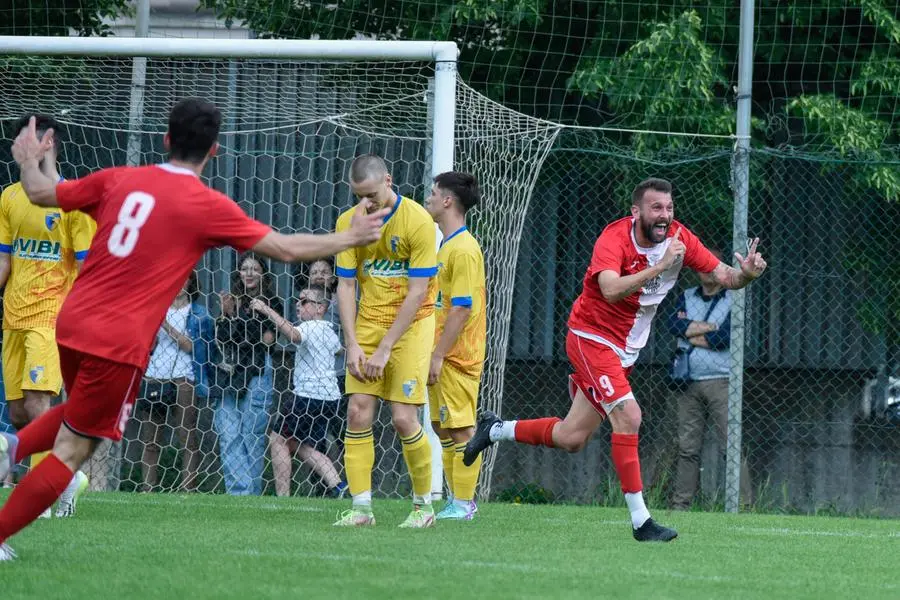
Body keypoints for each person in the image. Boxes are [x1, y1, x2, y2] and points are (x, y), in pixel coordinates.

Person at [0, 97, 388, 561]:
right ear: (214, 151)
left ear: (166, 139)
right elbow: (283, 248)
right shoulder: (204, 204)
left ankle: (10, 447)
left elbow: (42, 191)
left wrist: (29, 160)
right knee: (73, 450)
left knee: (78, 415)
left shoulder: (122, 177)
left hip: (70, 321)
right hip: (117, 339)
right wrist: (350, 237)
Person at [463, 178, 767, 542]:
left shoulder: (681, 239)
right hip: (591, 337)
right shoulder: (614, 239)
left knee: (572, 436)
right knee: (629, 415)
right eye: (656, 208)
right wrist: (660, 267)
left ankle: (494, 429)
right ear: (636, 211)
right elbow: (609, 289)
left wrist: (747, 273)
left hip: (625, 350)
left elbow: (725, 276)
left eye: (669, 209)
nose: (665, 216)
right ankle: (642, 522)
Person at [333, 154, 438, 528]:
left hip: (413, 325)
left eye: (373, 195)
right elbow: (345, 285)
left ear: (389, 180)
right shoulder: (349, 223)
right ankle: (361, 509)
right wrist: (353, 342)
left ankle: (423, 508)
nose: (367, 204)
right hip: (368, 323)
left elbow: (417, 293)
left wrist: (384, 347)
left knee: (403, 418)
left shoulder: (419, 222)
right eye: (359, 196)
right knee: (358, 410)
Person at [0, 114, 95, 518]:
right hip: (14, 318)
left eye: (26, 136)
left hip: (53, 317)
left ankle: (44, 494)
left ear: (48, 141)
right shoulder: (8, 197)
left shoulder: (71, 198)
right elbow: (5, 260)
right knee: (20, 413)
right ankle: (69, 477)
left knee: (41, 403)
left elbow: (89, 266)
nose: (17, 143)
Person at [666, 257, 752, 509]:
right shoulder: (686, 295)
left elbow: (724, 338)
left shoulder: (732, 298)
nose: (707, 271)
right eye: (703, 266)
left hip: (722, 382)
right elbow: (674, 324)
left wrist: (689, 333)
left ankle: (743, 506)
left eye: (712, 266)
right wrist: (707, 329)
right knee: (687, 447)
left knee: (731, 446)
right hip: (687, 381)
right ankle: (681, 505)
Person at [424, 172, 486, 521]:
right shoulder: (446, 245)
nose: (428, 199)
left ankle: (463, 503)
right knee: (442, 426)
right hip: (442, 352)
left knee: (461, 427)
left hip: (456, 356)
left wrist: (438, 353)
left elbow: (462, 307)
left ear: (448, 200)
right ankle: (456, 500)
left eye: (433, 193)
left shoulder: (462, 249)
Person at [253, 285, 347, 498]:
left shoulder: (311, 326)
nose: (298, 304)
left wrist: (266, 309)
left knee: (277, 439)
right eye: (298, 299)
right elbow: (339, 350)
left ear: (320, 308)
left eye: (304, 301)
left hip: (308, 395)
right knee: (297, 443)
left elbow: (293, 335)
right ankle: (339, 486)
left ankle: (283, 498)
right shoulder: (328, 329)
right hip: (329, 398)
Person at [133, 270, 212, 492]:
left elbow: (192, 347)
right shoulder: (156, 310)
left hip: (183, 377)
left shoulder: (199, 314)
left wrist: (165, 325)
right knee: (151, 439)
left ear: (191, 282)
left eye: (184, 278)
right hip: (155, 375)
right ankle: (148, 489)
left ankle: (188, 490)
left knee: (187, 435)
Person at [212, 252, 276, 495]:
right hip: (229, 374)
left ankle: (252, 495)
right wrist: (227, 314)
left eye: (255, 268)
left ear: (263, 273)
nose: (249, 273)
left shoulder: (272, 302)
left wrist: (236, 316)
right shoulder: (231, 300)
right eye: (245, 268)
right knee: (229, 435)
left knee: (252, 436)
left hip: (257, 371)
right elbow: (224, 338)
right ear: (238, 273)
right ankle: (238, 493)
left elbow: (267, 340)